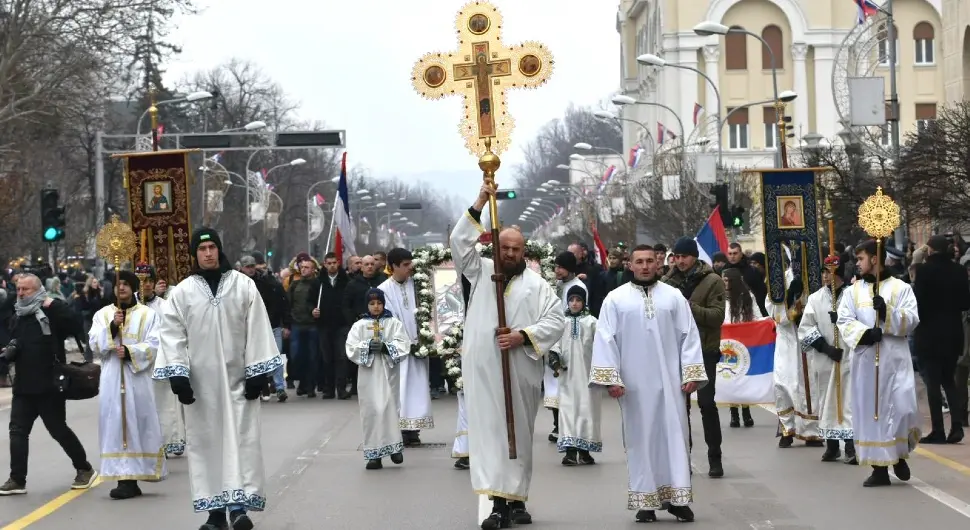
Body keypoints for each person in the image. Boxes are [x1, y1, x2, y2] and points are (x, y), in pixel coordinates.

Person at [153, 228, 282, 529]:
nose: (208, 253)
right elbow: (172, 335)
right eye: (202, 249)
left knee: (241, 442)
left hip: (239, 381)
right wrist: (178, 376)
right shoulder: (182, 292)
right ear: (194, 254)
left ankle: (239, 508)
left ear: (219, 250)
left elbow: (258, 328)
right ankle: (215, 513)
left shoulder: (243, 286)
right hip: (201, 387)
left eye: (212, 247)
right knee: (206, 445)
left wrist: (257, 373)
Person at [452, 185, 566, 529]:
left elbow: (555, 320)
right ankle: (498, 502)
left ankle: (516, 498)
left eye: (517, 249)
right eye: (505, 247)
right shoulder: (480, 270)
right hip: (484, 370)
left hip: (519, 371)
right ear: (495, 247)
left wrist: (522, 336)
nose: (511, 253)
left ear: (524, 251)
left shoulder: (538, 286)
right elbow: (459, 243)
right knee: (490, 434)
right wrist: (481, 201)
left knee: (518, 435)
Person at [591, 245, 706, 523]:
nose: (644, 266)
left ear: (658, 264)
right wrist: (611, 379)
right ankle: (646, 501)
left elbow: (688, 335)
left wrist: (691, 373)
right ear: (630, 265)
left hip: (671, 383)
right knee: (640, 440)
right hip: (633, 386)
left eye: (649, 261)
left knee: (675, 437)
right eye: (639, 261)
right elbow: (605, 339)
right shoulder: (615, 300)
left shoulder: (674, 297)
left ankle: (677, 499)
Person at [0, 274, 97, 495]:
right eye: (19, 289)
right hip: (24, 386)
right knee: (17, 431)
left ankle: (84, 468)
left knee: (58, 430)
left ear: (38, 290)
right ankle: (17, 480)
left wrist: (53, 304)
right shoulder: (18, 313)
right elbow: (16, 340)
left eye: (26, 289)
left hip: (49, 385)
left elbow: (74, 324)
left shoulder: (51, 311)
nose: (21, 293)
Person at [837, 239, 921, 487]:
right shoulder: (852, 292)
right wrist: (865, 333)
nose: (857, 264)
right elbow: (844, 320)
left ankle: (898, 455)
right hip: (866, 361)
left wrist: (886, 313)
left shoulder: (900, 287)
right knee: (872, 412)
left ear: (875, 258)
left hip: (894, 359)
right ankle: (879, 469)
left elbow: (912, 318)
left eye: (861, 258)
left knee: (902, 407)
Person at [89, 270, 166, 499]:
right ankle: (123, 478)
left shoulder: (147, 314)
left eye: (125, 284)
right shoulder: (103, 314)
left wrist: (132, 352)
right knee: (115, 424)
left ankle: (135, 476)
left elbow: (156, 343)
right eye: (117, 284)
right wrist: (113, 327)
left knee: (137, 423)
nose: (120, 288)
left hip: (137, 378)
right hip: (112, 378)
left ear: (133, 287)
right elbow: (94, 343)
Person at [662, 237, 726, 477]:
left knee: (707, 405)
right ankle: (682, 458)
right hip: (676, 352)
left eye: (684, 257)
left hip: (704, 351)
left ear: (694, 257)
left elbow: (717, 316)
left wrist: (689, 307)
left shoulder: (712, 281)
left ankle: (715, 457)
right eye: (676, 257)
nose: (679, 261)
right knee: (680, 408)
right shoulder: (666, 282)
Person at [912, 234, 970, 444]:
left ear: (930, 250)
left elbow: (917, 304)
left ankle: (938, 429)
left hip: (929, 333)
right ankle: (956, 427)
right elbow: (965, 302)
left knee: (933, 383)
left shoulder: (924, 271)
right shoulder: (959, 270)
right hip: (953, 332)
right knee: (950, 381)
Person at [799, 259, 856, 464]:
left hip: (848, 356)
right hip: (825, 358)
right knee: (827, 401)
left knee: (848, 402)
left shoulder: (853, 295)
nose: (825, 276)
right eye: (823, 272)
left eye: (829, 272)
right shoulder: (815, 299)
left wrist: (840, 318)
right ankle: (832, 446)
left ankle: (850, 445)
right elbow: (805, 328)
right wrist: (825, 348)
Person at [346, 288, 410, 470]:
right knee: (371, 411)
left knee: (390, 408)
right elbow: (350, 347)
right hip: (368, 374)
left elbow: (403, 344)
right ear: (367, 305)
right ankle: (374, 454)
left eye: (379, 303)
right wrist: (366, 346)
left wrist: (386, 347)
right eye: (372, 303)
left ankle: (394, 447)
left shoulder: (393, 323)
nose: (376, 307)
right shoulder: (359, 325)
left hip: (388, 373)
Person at [379, 248, 434, 445]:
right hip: (399, 349)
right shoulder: (384, 289)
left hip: (419, 346)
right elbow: (388, 319)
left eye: (411, 264)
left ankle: (414, 430)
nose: (410, 268)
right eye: (405, 265)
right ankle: (401, 429)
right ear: (393, 266)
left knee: (418, 387)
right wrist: (403, 341)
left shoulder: (419, 286)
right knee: (400, 388)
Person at [771, 269, 822, 448]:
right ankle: (787, 428)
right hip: (786, 340)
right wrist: (790, 296)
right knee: (783, 383)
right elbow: (776, 314)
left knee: (808, 385)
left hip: (806, 339)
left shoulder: (812, 271)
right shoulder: (776, 276)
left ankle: (811, 431)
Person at [554, 285, 600, 466]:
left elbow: (602, 347)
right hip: (567, 375)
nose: (574, 303)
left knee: (588, 410)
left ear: (584, 301)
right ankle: (570, 451)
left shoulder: (592, 322)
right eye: (571, 299)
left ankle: (585, 450)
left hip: (588, 375)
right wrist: (555, 361)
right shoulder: (561, 322)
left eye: (578, 300)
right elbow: (554, 344)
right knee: (568, 409)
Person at [546, 251, 587, 442]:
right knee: (554, 385)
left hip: (570, 339)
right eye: (556, 267)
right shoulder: (559, 285)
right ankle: (557, 424)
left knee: (566, 385)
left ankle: (569, 426)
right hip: (555, 338)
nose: (557, 271)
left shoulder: (578, 287)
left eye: (561, 267)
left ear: (570, 268)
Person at [722, 267, 762, 428]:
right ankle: (733, 414)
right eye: (723, 280)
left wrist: (765, 324)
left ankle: (746, 412)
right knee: (730, 376)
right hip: (727, 342)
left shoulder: (747, 297)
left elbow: (757, 316)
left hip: (743, 341)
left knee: (743, 376)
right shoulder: (720, 297)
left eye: (726, 280)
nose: (724, 283)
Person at [315, 252, 351, 399]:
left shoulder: (346, 281)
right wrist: (314, 310)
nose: (331, 265)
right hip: (324, 324)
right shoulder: (319, 282)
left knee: (341, 357)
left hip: (341, 324)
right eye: (328, 263)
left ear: (338, 263)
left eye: (334, 263)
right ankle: (328, 388)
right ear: (324, 264)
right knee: (327, 357)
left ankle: (341, 388)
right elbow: (311, 300)